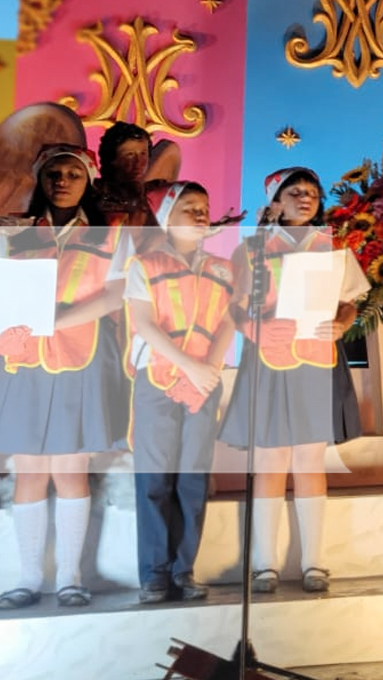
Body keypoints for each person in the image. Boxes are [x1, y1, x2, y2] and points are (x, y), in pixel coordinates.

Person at [219, 167, 370, 594]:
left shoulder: (333, 248)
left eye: (312, 193)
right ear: (275, 200)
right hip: (270, 359)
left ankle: (314, 563)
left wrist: (342, 325)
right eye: (295, 192)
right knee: (270, 461)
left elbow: (349, 304)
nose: (306, 199)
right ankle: (264, 564)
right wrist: (253, 329)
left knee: (308, 460)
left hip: (317, 359)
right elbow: (232, 306)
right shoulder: (252, 250)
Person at [0, 144, 128, 610]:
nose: (62, 180)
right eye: (53, 172)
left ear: (88, 180)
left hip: (82, 356)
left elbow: (115, 296)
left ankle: (71, 578)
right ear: (40, 178)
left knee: (72, 471)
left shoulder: (109, 235)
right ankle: (29, 578)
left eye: (73, 172)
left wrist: (55, 321)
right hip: (24, 360)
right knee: (29, 472)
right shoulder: (14, 232)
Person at [125, 182, 235, 602]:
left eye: (204, 207)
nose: (200, 213)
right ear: (167, 217)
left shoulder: (224, 269)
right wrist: (190, 365)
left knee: (192, 479)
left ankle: (184, 570)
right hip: (158, 379)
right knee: (154, 479)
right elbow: (145, 324)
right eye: (189, 207)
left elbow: (228, 322)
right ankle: (154, 574)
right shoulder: (145, 264)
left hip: (203, 382)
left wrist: (211, 367)